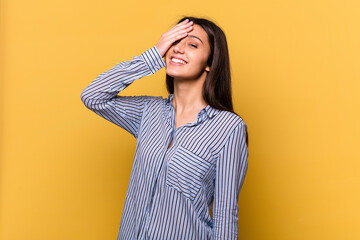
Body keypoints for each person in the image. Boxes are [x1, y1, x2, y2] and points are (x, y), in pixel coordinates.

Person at [81, 16, 248, 240]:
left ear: (210, 62)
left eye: (192, 44)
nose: (178, 49)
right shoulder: (148, 112)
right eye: (174, 41)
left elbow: (225, 214)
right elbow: (93, 96)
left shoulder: (229, 128)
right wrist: (154, 53)